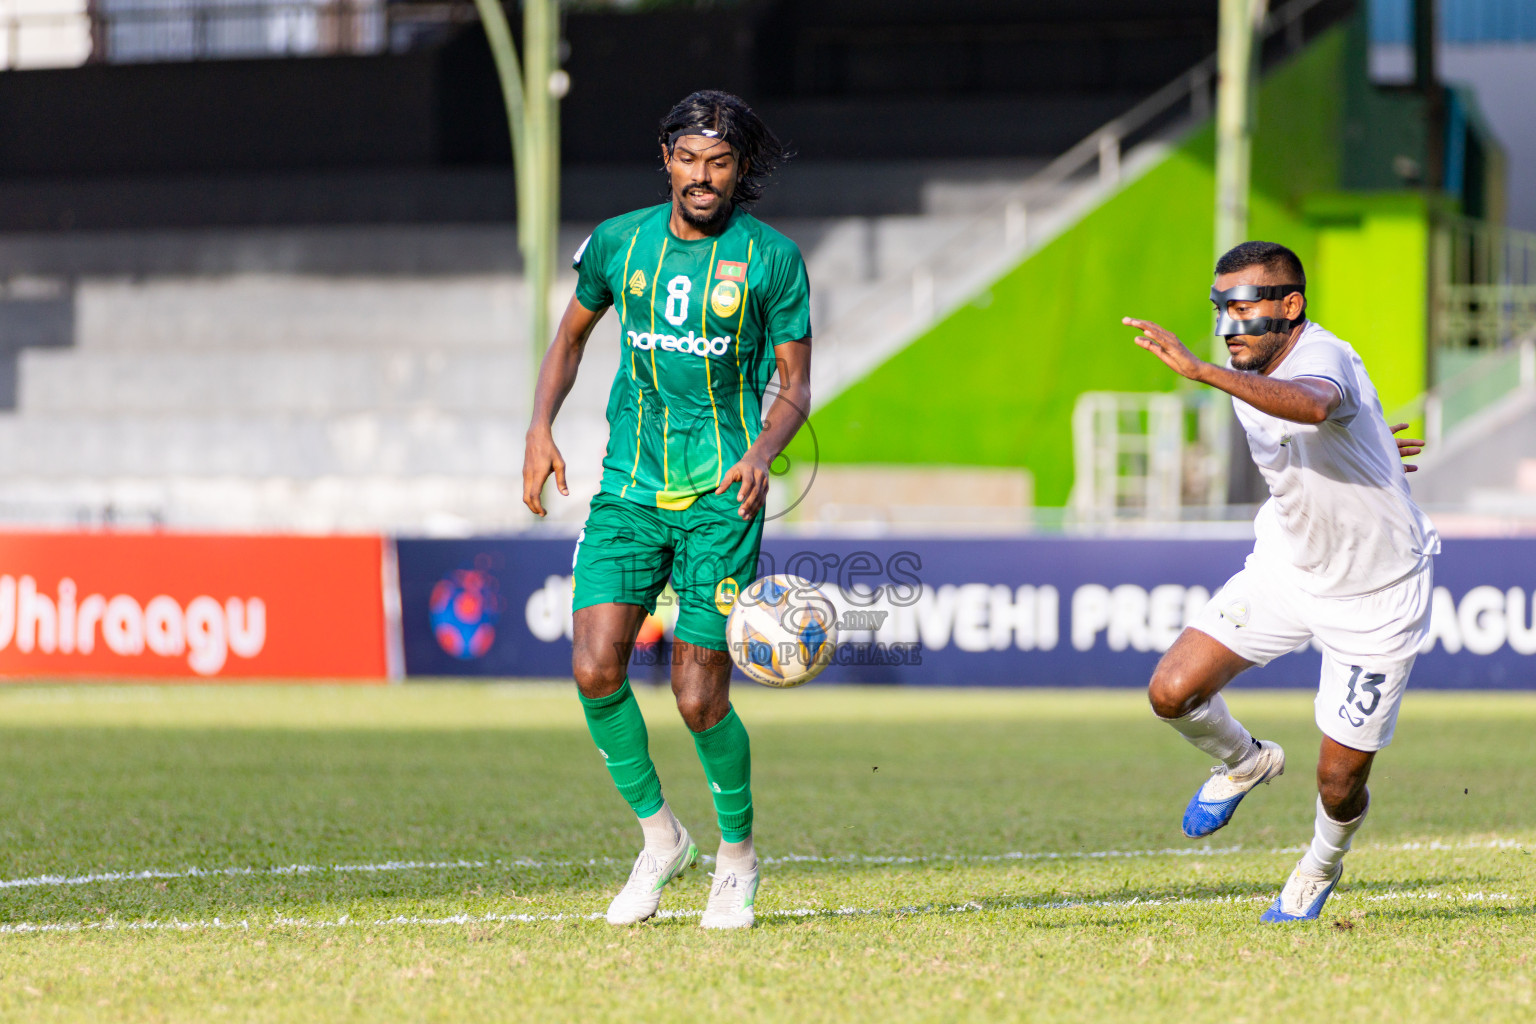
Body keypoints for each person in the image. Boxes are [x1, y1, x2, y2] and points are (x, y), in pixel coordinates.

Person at [521, 90, 812, 930]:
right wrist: (539, 427)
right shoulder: (619, 242)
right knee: (594, 667)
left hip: (722, 497)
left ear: (740, 169)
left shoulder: (772, 259)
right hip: (628, 490)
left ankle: (737, 859)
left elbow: (795, 386)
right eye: (687, 159)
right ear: (666, 160)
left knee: (697, 698)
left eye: (718, 162)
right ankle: (661, 840)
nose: (701, 176)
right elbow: (570, 338)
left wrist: (762, 451)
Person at [1122, 240, 1437, 923]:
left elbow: (1317, 403)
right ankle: (1245, 761)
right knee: (1172, 692)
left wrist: (1201, 371)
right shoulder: (1250, 363)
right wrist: (1373, 446)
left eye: (1243, 308)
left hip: (1378, 595)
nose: (1228, 325)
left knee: (1338, 782)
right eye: (1220, 310)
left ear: (1290, 306)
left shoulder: (1318, 354)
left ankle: (1320, 865)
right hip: (1288, 567)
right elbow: (1330, 423)